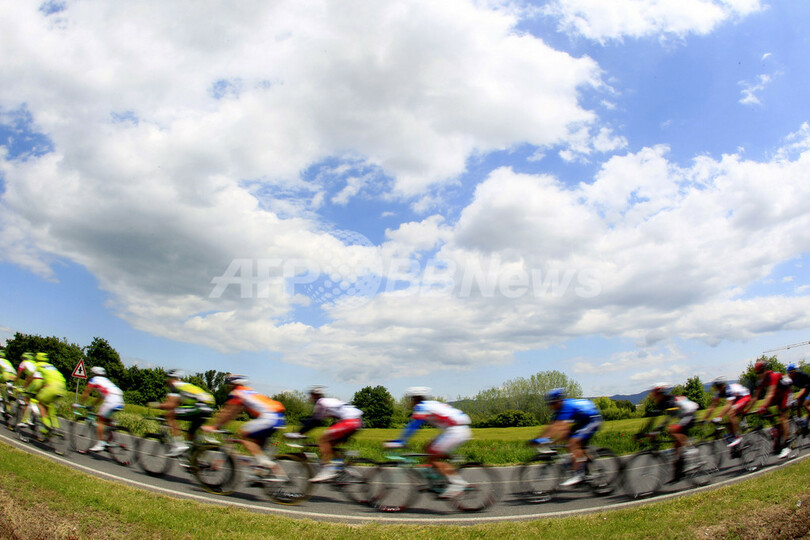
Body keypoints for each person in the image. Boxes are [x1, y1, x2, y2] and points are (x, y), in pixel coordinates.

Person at [384, 387, 472, 499]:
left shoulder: (422, 407)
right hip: (455, 428)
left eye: (411, 399)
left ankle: (457, 484)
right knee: (427, 448)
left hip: (455, 430)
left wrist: (400, 442)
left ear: (415, 399)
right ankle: (436, 476)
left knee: (434, 456)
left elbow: (413, 426)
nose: (410, 402)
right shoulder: (429, 404)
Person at [201, 374, 287, 482]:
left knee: (243, 436)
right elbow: (234, 413)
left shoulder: (237, 393)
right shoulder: (248, 391)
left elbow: (228, 412)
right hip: (278, 417)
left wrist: (214, 426)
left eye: (229, 385)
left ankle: (265, 464)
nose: (228, 387)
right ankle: (260, 472)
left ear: (233, 384)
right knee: (257, 444)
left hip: (269, 418)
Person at [285, 385, 364, 483]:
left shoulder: (321, 403)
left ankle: (328, 470)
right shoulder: (329, 401)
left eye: (310, 396)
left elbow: (315, 422)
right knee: (331, 445)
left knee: (323, 440)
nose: (310, 399)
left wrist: (298, 433)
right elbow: (327, 420)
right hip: (357, 421)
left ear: (314, 396)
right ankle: (344, 467)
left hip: (350, 421)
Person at [531, 388, 602, 487]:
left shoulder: (566, 406)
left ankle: (579, 474)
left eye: (553, 403)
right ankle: (585, 461)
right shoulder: (558, 411)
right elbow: (552, 427)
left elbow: (558, 426)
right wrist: (543, 439)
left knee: (573, 441)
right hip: (583, 421)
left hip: (592, 419)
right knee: (569, 442)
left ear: (559, 400)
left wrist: (542, 440)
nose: (551, 406)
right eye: (549, 404)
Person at [640, 384, 699, 483]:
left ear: (661, 394)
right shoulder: (661, 403)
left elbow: (668, 419)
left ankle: (688, 449)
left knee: (671, 430)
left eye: (655, 395)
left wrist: (655, 432)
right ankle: (679, 473)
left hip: (689, 414)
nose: (653, 397)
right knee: (675, 449)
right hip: (683, 415)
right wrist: (642, 433)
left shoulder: (669, 402)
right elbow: (652, 420)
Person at [149, 369, 215, 457]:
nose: (167, 381)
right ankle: (196, 458)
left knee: (170, 415)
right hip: (208, 407)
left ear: (172, 378)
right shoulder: (185, 386)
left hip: (200, 406)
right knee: (191, 433)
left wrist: (156, 405)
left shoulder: (175, 386)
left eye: (168, 378)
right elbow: (178, 404)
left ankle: (179, 445)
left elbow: (171, 405)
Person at [746, 361, 792, 459]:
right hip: (777, 394)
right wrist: (746, 411)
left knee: (783, 417)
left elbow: (770, 394)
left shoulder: (773, 376)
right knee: (766, 412)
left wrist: (762, 406)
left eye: (760, 372)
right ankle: (777, 432)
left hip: (785, 393)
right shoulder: (760, 380)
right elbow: (755, 397)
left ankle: (787, 444)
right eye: (757, 373)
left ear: (765, 370)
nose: (759, 375)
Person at [79, 366, 124, 452]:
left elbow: (86, 393)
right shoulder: (105, 381)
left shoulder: (94, 380)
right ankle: (111, 431)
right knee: (105, 418)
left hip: (111, 399)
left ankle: (100, 444)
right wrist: (93, 405)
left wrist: (80, 403)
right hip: (119, 399)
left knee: (100, 420)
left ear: (93, 373)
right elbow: (101, 397)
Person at [703, 377, 751, 448]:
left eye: (720, 386)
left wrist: (720, 416)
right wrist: (705, 418)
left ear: (723, 385)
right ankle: (733, 436)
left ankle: (738, 436)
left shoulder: (728, 389)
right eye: (717, 387)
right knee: (728, 418)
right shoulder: (717, 393)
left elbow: (728, 405)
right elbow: (713, 406)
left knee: (731, 413)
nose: (718, 389)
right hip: (737, 399)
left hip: (745, 397)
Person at [31, 353, 67, 434]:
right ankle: (56, 427)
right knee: (49, 405)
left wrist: (29, 388)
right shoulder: (51, 366)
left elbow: (34, 379)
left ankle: (48, 427)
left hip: (52, 387)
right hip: (62, 386)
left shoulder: (38, 365)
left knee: (40, 403)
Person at [14, 352, 45, 428]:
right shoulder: (35, 363)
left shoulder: (23, 363)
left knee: (26, 399)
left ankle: (26, 420)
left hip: (35, 381)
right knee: (36, 400)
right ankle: (39, 418)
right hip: (43, 381)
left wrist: (16, 382)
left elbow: (20, 375)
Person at [787, 364, 810, 428]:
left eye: (791, 372)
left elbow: (804, 389)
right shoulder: (791, 379)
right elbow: (789, 391)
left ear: (794, 372)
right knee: (798, 404)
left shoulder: (800, 375)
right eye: (788, 373)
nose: (789, 374)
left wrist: (798, 396)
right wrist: (789, 400)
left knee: (805, 404)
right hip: (807, 389)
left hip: (808, 388)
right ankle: (800, 420)